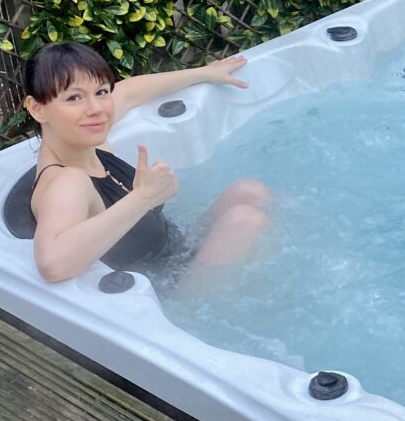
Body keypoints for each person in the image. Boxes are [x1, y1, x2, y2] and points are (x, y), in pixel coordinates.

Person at [22, 42, 271, 285]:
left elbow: (128, 92)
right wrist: (143, 198)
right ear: (37, 109)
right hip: (168, 289)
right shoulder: (68, 180)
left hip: (176, 252)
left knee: (250, 192)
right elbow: (52, 264)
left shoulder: (87, 142)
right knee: (245, 220)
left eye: (100, 92)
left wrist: (204, 73)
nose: (96, 108)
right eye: (74, 98)